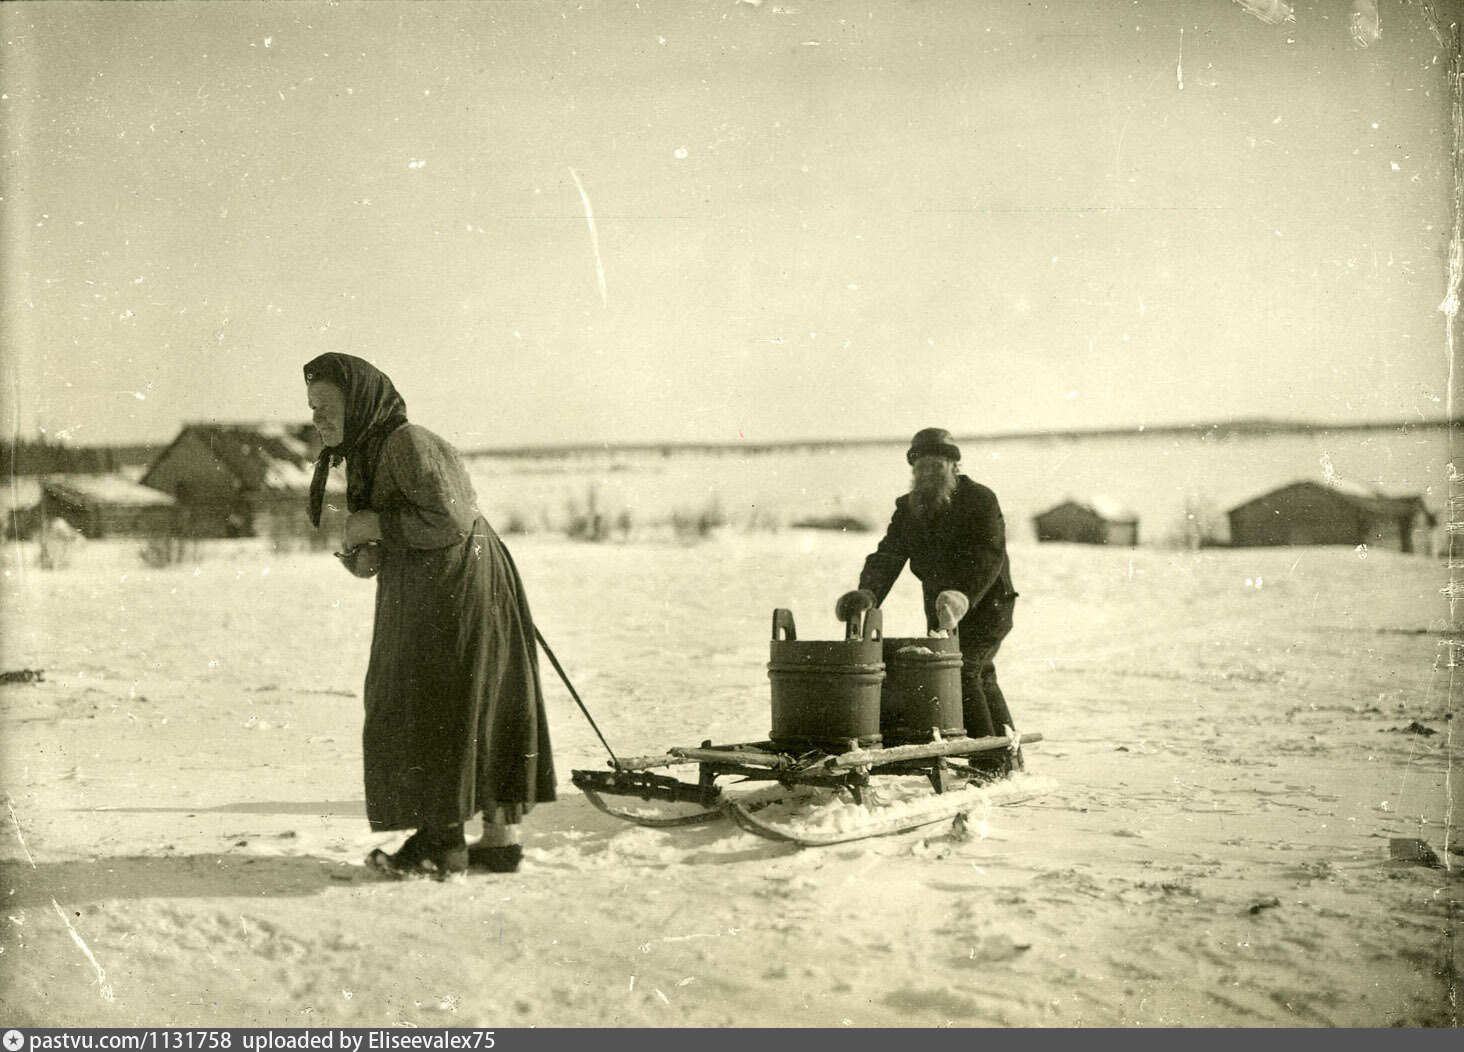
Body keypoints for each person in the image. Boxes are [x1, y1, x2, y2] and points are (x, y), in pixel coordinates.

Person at [304, 353, 556, 879]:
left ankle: (442, 846)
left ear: (360, 403)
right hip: (438, 584)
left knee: (433, 700)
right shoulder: (367, 450)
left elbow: (449, 520)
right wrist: (363, 549)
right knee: (468, 697)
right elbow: (406, 528)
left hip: (457, 586)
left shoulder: (405, 441)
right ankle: (498, 840)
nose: (317, 418)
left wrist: (374, 525)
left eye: (327, 405)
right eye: (312, 407)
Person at [837, 427, 1018, 740]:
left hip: (986, 605)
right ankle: (1006, 751)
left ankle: (989, 760)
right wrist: (868, 592)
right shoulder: (909, 508)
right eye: (921, 467)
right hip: (940, 608)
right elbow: (888, 554)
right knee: (978, 673)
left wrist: (963, 596)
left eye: (936, 465)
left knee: (963, 670)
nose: (928, 472)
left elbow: (989, 555)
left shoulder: (980, 500)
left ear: (953, 466)